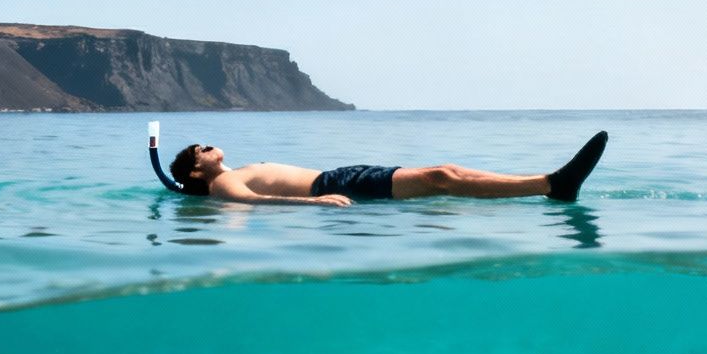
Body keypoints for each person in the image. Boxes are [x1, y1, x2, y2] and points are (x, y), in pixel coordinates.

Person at [168, 132, 609, 206]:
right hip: (334, 184)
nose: (208, 146)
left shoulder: (229, 171)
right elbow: (254, 203)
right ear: (194, 172)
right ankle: (552, 185)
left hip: (339, 177)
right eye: (199, 149)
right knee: (443, 178)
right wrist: (315, 201)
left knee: (445, 175)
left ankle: (549, 184)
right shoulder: (224, 181)